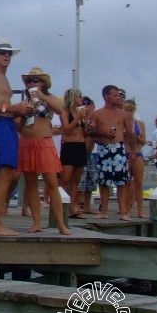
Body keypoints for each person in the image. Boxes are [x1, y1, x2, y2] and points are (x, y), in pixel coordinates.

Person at [0, 39, 34, 236]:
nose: (6, 56)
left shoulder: (3, 77)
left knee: (9, 171)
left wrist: (21, 111)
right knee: (5, 171)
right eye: (2, 52)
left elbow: (3, 105)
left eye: (9, 53)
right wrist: (11, 108)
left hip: (6, 123)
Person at [17, 68, 71, 235]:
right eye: (29, 81)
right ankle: (37, 223)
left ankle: (61, 224)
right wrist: (18, 113)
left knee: (52, 183)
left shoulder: (50, 99)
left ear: (42, 83)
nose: (32, 83)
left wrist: (42, 97)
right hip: (27, 142)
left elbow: (61, 110)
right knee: (31, 184)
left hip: (45, 143)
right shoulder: (24, 101)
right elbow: (19, 126)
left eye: (35, 80)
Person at [87, 85, 135, 220]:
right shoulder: (96, 114)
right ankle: (104, 211)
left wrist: (132, 151)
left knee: (121, 181)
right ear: (106, 96)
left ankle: (123, 211)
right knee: (103, 182)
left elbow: (130, 133)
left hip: (119, 149)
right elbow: (89, 131)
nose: (118, 97)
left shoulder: (125, 115)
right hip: (103, 149)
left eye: (119, 95)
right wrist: (103, 132)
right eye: (115, 95)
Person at [59, 88, 93, 218]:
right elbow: (66, 129)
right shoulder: (65, 112)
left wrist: (86, 121)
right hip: (69, 146)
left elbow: (85, 133)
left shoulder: (82, 114)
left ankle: (73, 207)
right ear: (73, 98)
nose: (81, 99)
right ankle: (61, 204)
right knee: (65, 179)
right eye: (79, 97)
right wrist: (77, 117)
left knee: (76, 181)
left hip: (80, 146)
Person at [123, 98, 146, 218]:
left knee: (138, 183)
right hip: (125, 153)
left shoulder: (140, 124)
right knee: (126, 183)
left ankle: (140, 210)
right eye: (126, 110)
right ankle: (127, 210)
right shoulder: (120, 123)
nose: (128, 113)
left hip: (137, 153)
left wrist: (134, 136)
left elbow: (143, 141)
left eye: (130, 110)